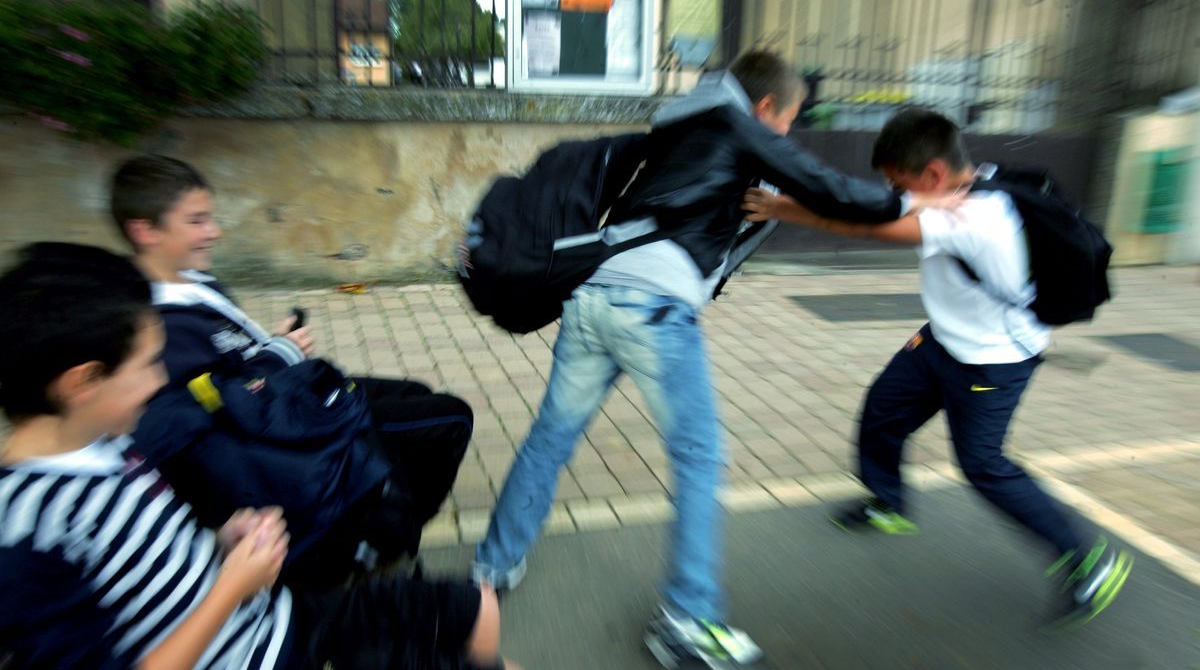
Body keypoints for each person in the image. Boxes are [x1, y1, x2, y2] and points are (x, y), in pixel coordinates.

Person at [471, 51, 952, 668]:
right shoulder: (737, 126)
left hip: (593, 295)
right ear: (765, 107)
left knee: (551, 437)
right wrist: (917, 206)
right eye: (788, 121)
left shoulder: (679, 125)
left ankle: (490, 567)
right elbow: (833, 190)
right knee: (701, 458)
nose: (785, 134)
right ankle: (686, 621)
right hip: (652, 309)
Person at [0, 242, 516, 669]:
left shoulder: (104, 442)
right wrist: (230, 588)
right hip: (257, 652)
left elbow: (141, 561)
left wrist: (221, 543)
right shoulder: (28, 529)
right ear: (81, 382)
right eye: (145, 365)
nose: (160, 380)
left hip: (275, 617)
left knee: (475, 608)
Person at [742, 107, 1132, 630]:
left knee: (983, 466)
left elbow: (866, 224)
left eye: (896, 180)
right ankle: (889, 504)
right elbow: (883, 203)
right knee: (884, 409)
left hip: (991, 361)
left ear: (931, 176)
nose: (889, 188)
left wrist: (784, 209)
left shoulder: (967, 219)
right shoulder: (982, 178)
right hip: (942, 341)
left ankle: (1087, 557)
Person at [109, 154, 471, 582]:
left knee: (417, 395)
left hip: (288, 392)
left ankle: (381, 526)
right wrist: (277, 353)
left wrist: (271, 346)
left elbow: (234, 357)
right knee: (450, 418)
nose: (214, 232)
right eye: (197, 221)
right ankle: (384, 541)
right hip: (274, 428)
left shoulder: (194, 281)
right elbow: (216, 404)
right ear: (144, 230)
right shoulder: (157, 323)